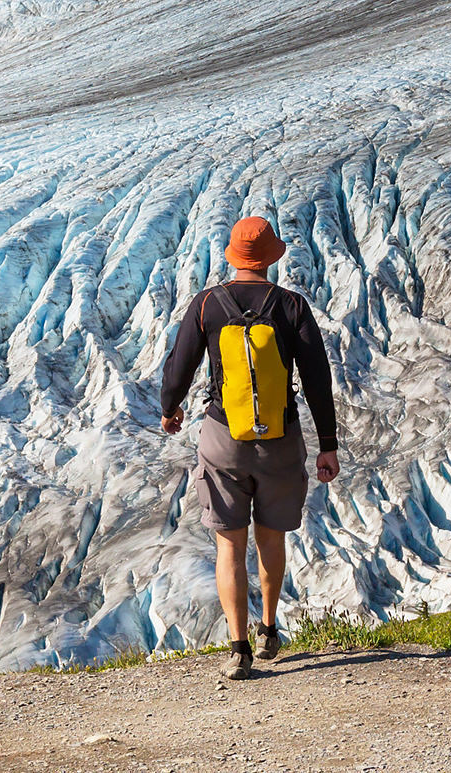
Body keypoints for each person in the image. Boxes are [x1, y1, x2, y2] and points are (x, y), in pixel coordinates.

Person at [159, 215, 342, 680]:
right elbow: (318, 381)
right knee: (270, 538)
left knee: (228, 545)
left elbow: (180, 366)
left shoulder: (207, 305)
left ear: (233, 258)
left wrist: (170, 408)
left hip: (224, 439)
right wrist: (327, 444)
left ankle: (237, 649)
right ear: (270, 259)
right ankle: (267, 629)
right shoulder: (291, 307)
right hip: (280, 440)